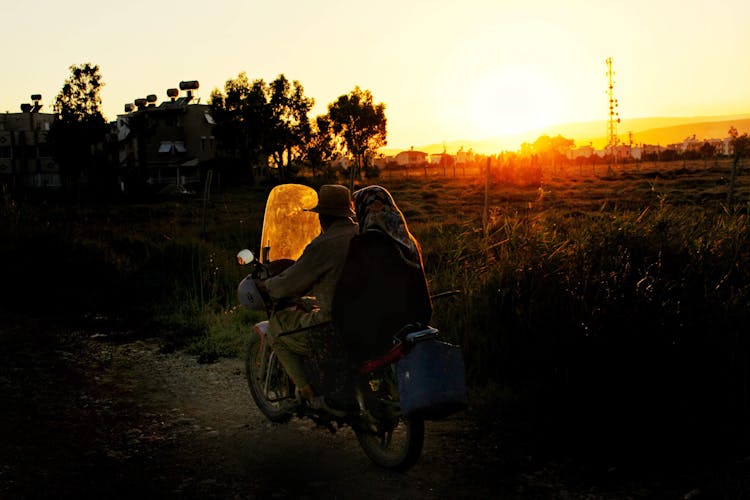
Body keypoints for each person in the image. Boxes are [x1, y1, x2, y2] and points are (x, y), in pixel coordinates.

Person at [260, 184, 358, 404]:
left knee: (277, 328)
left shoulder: (323, 245)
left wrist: (269, 286)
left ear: (322, 218)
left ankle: (307, 393)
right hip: (364, 318)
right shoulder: (363, 234)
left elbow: (290, 283)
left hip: (332, 324)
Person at [333, 185, 432, 365]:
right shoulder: (408, 242)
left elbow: (344, 296)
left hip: (380, 335)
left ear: (364, 212)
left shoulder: (365, 244)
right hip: (417, 323)